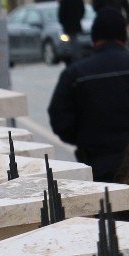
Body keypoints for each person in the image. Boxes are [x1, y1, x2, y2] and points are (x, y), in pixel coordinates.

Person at [48, 7, 129, 182]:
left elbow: (59, 118)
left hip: (96, 165)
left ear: (94, 38)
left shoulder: (75, 74)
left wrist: (83, 139)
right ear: (124, 36)